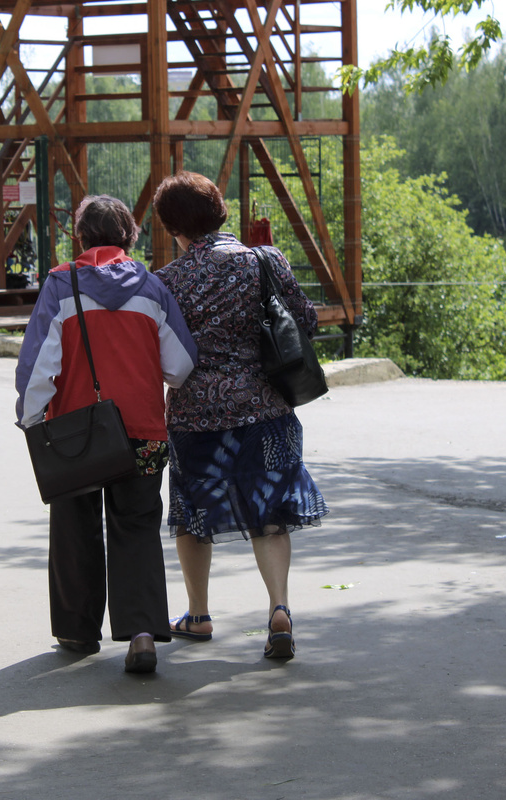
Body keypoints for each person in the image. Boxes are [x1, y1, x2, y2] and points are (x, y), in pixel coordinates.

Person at [15, 195, 197, 674]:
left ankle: (77, 630)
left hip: (78, 432)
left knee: (75, 526)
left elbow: (39, 368)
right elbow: (179, 367)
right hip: (141, 430)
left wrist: (31, 420)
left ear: (81, 238)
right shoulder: (153, 288)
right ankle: (141, 634)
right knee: (136, 526)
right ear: (128, 237)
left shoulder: (60, 285)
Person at [151, 171, 329, 660]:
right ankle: (279, 610)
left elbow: (159, 353)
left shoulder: (166, 282)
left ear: (173, 227)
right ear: (219, 210)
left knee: (192, 513)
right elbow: (306, 321)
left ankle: (198, 614)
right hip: (266, 411)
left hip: (196, 418)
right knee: (269, 515)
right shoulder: (263, 261)